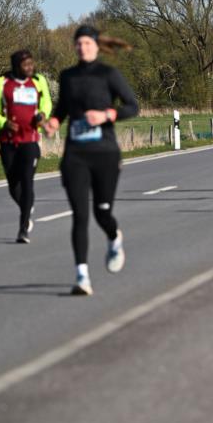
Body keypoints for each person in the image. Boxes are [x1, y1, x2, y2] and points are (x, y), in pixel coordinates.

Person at [43, 25, 138, 296]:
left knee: (101, 213)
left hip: (105, 153)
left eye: (87, 43)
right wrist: (53, 121)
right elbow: (63, 108)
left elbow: (132, 106)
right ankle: (82, 275)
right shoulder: (68, 76)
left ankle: (114, 236)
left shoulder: (109, 74)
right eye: (79, 43)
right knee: (80, 215)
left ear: (96, 46)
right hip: (75, 155)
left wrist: (107, 115)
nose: (82, 47)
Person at [0, 49, 52, 243]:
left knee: (27, 181)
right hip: (8, 141)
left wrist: (43, 115)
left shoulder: (38, 81)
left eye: (31, 63)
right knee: (14, 186)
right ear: (16, 66)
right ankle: (26, 207)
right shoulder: (0, 83)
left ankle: (23, 229)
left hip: (30, 140)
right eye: (25, 65)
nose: (30, 68)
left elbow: (46, 102)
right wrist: (3, 122)